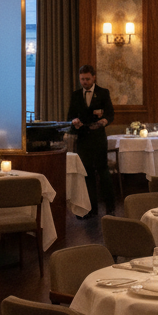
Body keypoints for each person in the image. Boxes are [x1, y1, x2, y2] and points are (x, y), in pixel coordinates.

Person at [67, 65, 115, 218]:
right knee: (86, 173)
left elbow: (110, 114)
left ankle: (110, 207)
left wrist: (104, 121)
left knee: (103, 171)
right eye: (82, 79)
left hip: (98, 138)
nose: (85, 82)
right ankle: (91, 209)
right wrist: (74, 121)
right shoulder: (76, 95)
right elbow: (70, 116)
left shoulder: (103, 93)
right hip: (83, 138)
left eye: (87, 79)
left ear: (94, 77)